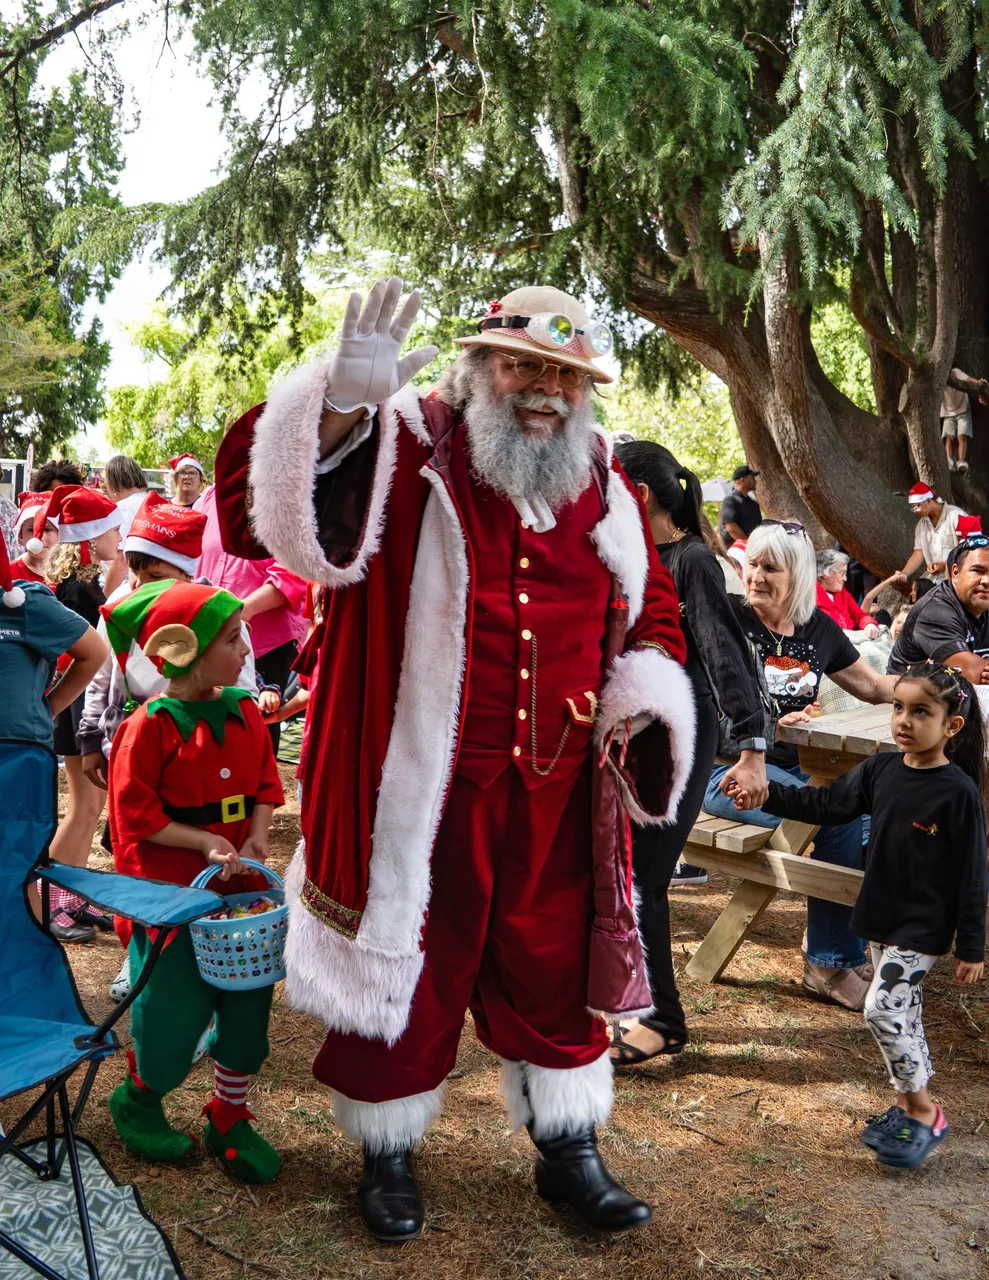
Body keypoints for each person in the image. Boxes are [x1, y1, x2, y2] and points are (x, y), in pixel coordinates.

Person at [213, 278, 692, 1241]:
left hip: (555, 785)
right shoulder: (407, 444)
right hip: (415, 779)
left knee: (552, 962)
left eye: (566, 373)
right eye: (524, 363)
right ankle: (386, 1152)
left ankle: (569, 1149)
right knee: (407, 961)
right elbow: (272, 524)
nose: (545, 389)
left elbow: (655, 617)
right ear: (481, 364)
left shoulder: (603, 477)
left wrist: (643, 694)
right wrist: (339, 405)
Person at [726, 663, 987, 1167]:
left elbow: (973, 874)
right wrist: (768, 791)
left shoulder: (958, 793)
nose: (904, 721)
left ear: (951, 726)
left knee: (882, 1008)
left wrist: (971, 946)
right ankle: (905, 1105)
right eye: (898, 708)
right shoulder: (882, 770)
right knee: (903, 1011)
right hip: (880, 918)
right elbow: (825, 804)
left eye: (920, 712)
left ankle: (925, 1111)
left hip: (923, 928)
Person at [103, 580, 283, 1182]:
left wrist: (256, 833)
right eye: (233, 640)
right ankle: (140, 1099)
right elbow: (136, 816)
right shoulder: (150, 725)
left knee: (247, 1002)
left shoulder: (244, 712)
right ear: (185, 651)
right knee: (172, 1009)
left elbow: (264, 784)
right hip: (173, 897)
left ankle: (229, 1113)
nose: (246, 650)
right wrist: (202, 840)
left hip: (237, 900)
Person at [611, 441, 768, 1066]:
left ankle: (663, 1021)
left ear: (639, 495)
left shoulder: (694, 561)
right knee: (626, 875)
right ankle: (632, 1004)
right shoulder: (632, 557)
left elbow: (724, 655)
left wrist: (751, 747)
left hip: (686, 728)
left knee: (646, 878)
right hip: (639, 730)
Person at [705, 520, 896, 1011]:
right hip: (725, 771)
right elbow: (703, 705)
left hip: (793, 772)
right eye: (752, 564)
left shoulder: (817, 629)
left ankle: (843, 940)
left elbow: (874, 687)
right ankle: (829, 961)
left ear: (800, 576)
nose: (756, 577)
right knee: (840, 815)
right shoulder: (726, 620)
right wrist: (768, 722)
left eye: (772, 567)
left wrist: (936, 690)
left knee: (874, 812)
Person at [37, 486, 123, 942]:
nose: (120, 535)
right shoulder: (78, 588)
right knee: (84, 806)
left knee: (89, 806)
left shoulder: (87, 582)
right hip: (75, 702)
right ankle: (45, 899)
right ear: (90, 539)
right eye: (111, 528)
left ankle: (68, 895)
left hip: (80, 700)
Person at [195, 485, 308, 754]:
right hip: (210, 633)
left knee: (255, 732)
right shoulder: (210, 496)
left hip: (264, 645)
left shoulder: (288, 496)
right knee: (210, 726)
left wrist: (242, 610)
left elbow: (296, 570)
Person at [887, 535, 989, 682]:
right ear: (955, 573)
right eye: (978, 570)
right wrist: (979, 666)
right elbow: (970, 674)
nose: (986, 581)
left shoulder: (983, 600)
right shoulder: (935, 610)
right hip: (911, 700)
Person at [892, 483, 968, 586]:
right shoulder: (921, 526)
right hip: (933, 581)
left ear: (928, 501)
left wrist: (946, 564)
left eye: (917, 506)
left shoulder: (957, 516)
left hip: (957, 580)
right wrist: (904, 573)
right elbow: (917, 554)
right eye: (913, 508)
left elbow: (969, 551)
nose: (915, 511)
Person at [101, 455, 149, 596]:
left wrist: (105, 599)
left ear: (114, 482)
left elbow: (121, 559)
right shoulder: (151, 501)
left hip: (126, 589)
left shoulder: (124, 508)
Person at [815, 550, 879, 637]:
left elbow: (859, 615)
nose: (845, 579)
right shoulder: (810, 597)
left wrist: (868, 624)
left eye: (845, 573)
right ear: (825, 573)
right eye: (841, 573)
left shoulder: (841, 593)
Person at [940, 367, 989, 474]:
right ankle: (949, 460)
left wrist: (979, 384)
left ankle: (961, 461)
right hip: (948, 412)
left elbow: (967, 379)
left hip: (962, 409)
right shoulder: (938, 378)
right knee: (948, 436)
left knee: (962, 435)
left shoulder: (955, 372)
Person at [11, 491, 58, 586]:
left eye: (48, 529)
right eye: (31, 530)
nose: (39, 538)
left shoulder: (70, 577)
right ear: (20, 535)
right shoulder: (6, 574)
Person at [719, 465, 762, 545]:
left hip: (754, 549)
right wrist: (748, 545)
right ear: (742, 480)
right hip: (736, 550)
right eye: (752, 478)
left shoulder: (753, 504)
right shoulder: (730, 501)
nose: (755, 481)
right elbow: (731, 528)